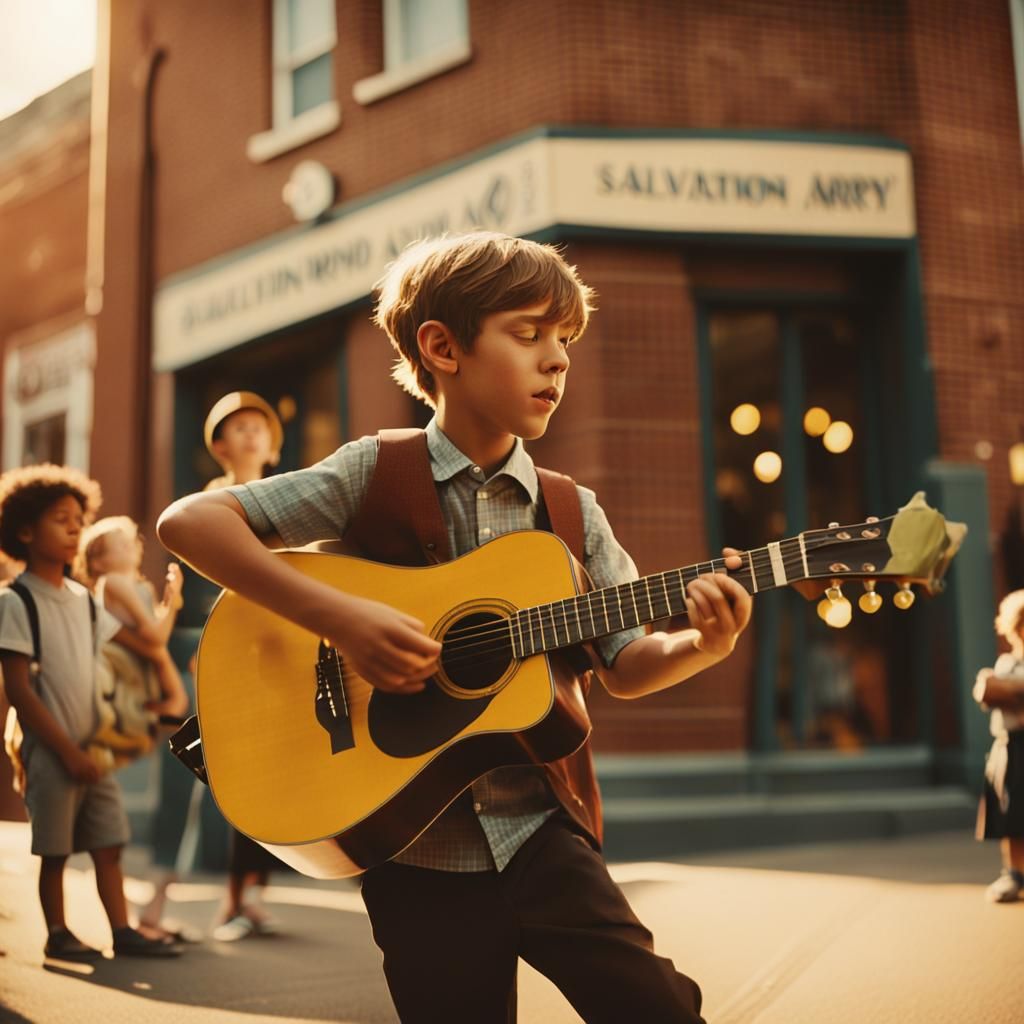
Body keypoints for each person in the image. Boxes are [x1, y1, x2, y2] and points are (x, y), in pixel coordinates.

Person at [157, 232, 752, 1023]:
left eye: (565, 340)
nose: (558, 360)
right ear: (442, 348)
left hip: (544, 829)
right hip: (414, 853)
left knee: (657, 1008)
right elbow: (189, 523)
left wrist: (703, 644)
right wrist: (345, 620)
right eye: (529, 333)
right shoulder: (373, 472)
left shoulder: (573, 512)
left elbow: (625, 663)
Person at [0, 464, 181, 960]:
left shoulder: (83, 599)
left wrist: (170, 603)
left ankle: (122, 930)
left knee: (109, 843)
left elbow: (146, 643)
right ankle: (58, 934)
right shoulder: (15, 602)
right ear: (24, 531)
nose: (75, 529)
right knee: (55, 850)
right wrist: (65, 751)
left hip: (92, 750)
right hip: (51, 751)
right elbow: (19, 691)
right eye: (61, 519)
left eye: (79, 520)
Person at [76, 515, 190, 940]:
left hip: (136, 687)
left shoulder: (132, 585)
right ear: (98, 561)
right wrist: (172, 599)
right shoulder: (116, 584)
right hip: (119, 692)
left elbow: (152, 643)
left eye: (129, 541)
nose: (131, 546)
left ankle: (141, 914)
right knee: (109, 810)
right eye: (118, 543)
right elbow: (157, 641)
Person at [203, 391, 285, 941]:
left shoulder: (287, 496)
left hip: (281, 648)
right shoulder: (211, 501)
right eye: (240, 427)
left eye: (260, 426)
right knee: (242, 775)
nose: (252, 433)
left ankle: (254, 894)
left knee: (281, 771)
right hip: (235, 649)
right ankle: (232, 898)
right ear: (220, 446)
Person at [974, 588, 1024, 903]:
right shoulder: (1007, 662)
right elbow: (988, 690)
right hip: (1012, 747)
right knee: (1012, 814)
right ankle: (1014, 873)